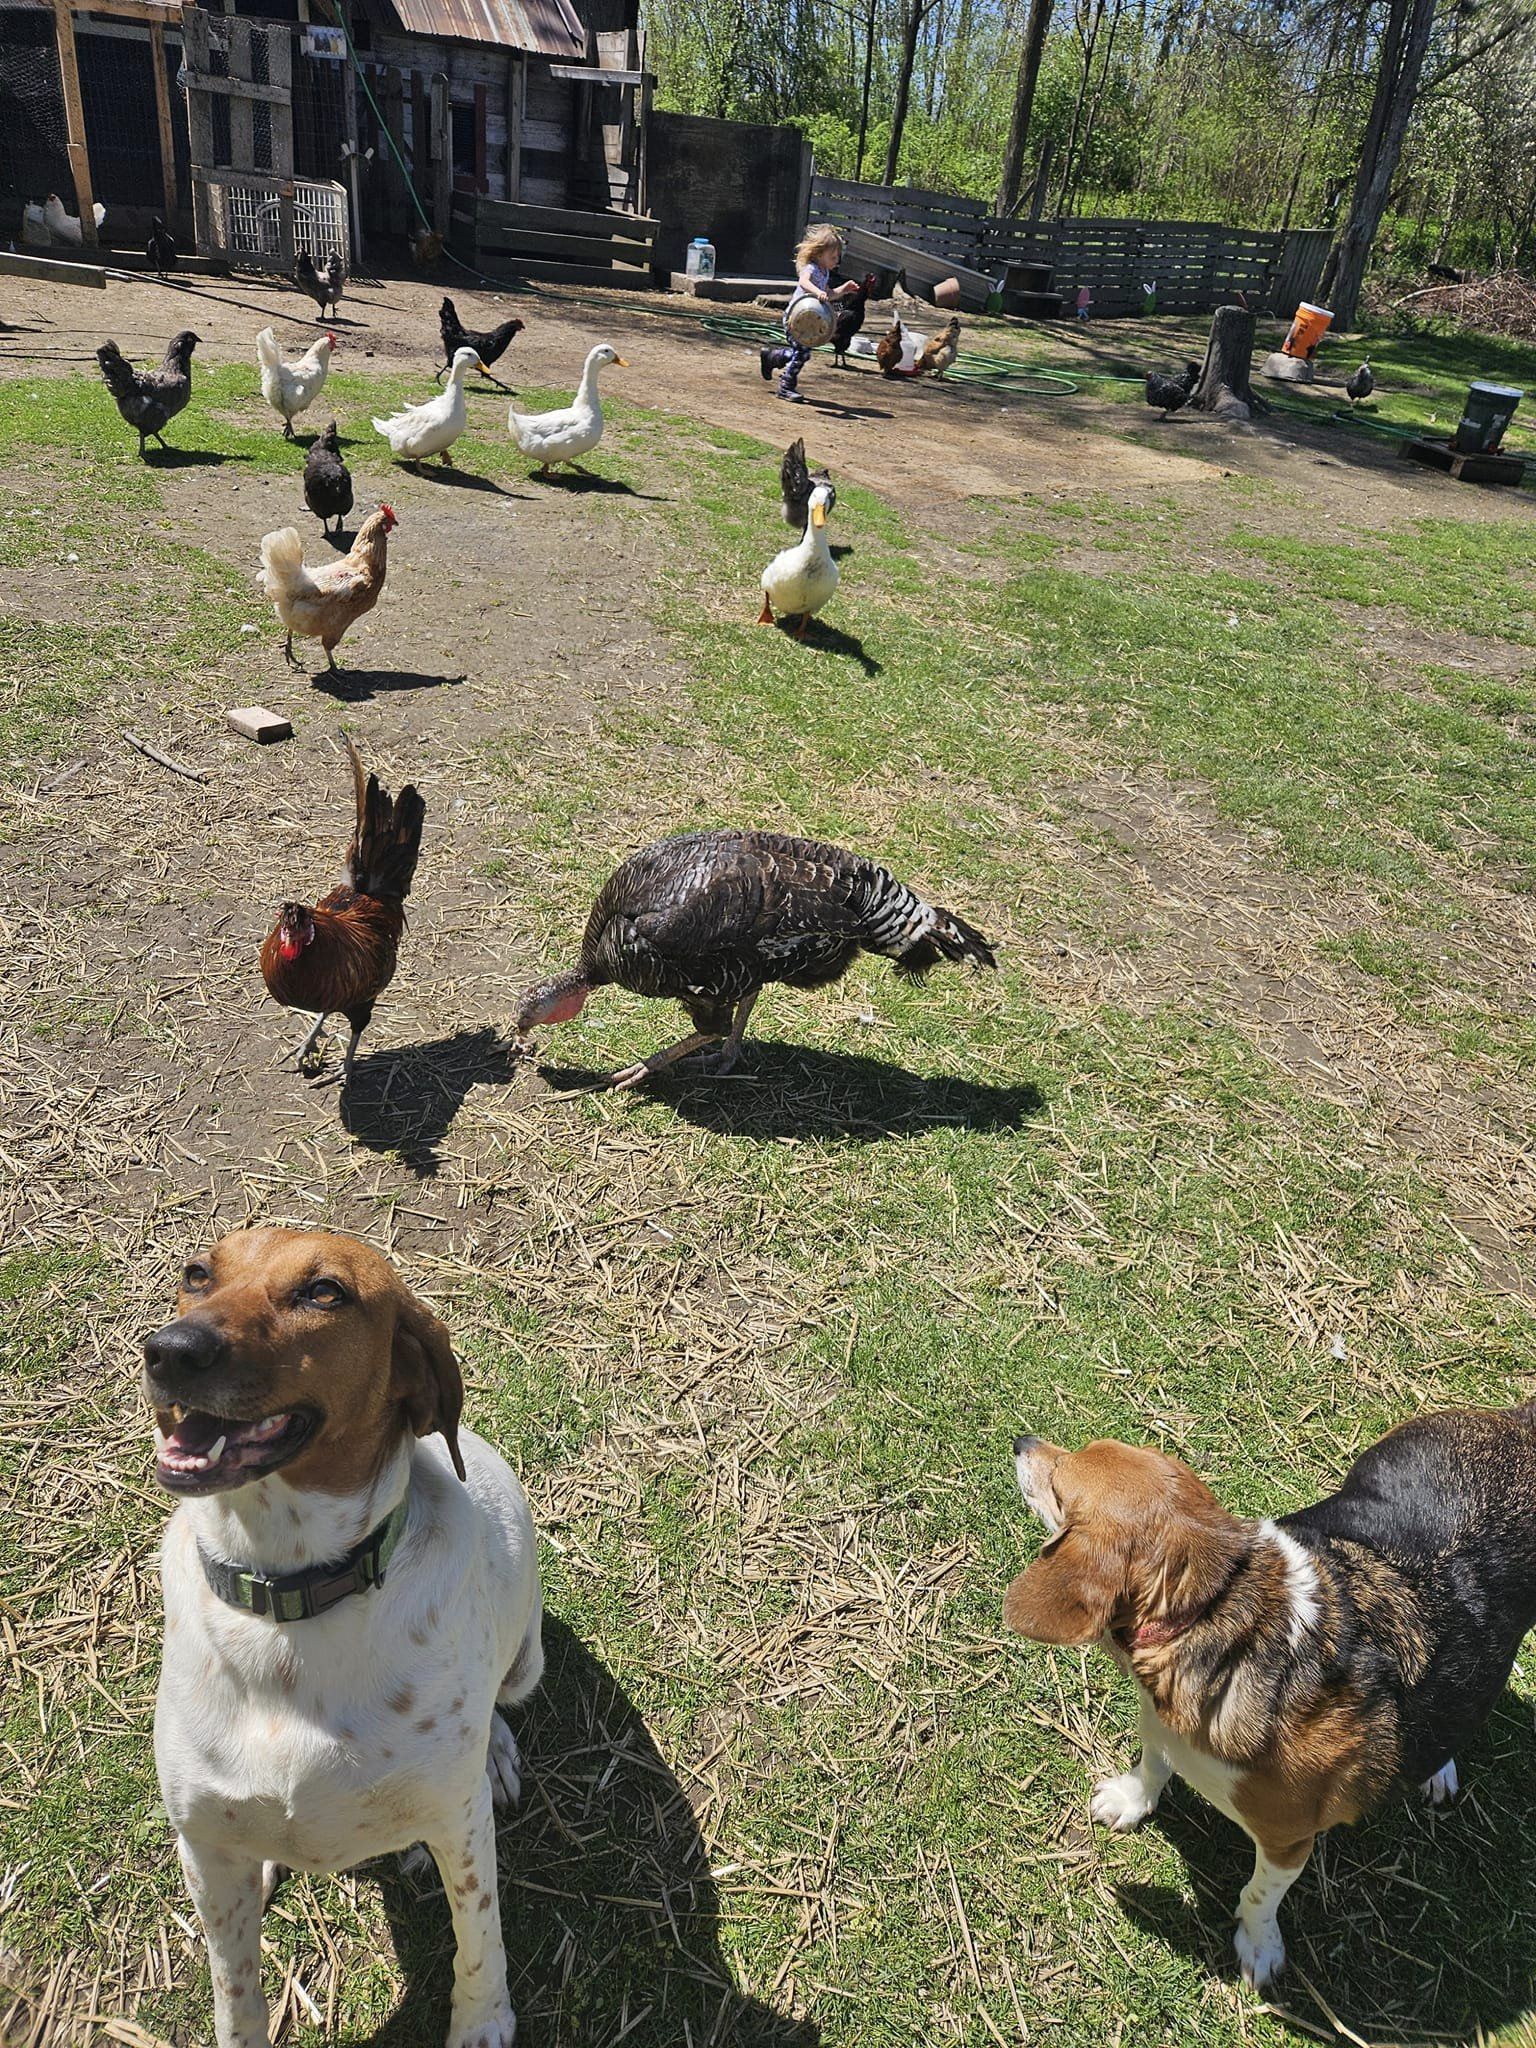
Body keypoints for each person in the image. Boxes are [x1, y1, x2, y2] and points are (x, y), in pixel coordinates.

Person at [760, 224, 860, 403]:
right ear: (819, 254)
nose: (836, 261)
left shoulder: (825, 273)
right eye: (833, 257)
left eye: (838, 257)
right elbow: (804, 282)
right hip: (795, 320)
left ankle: (773, 357)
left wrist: (844, 290)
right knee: (802, 354)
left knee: (801, 353)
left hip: (810, 323)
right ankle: (785, 386)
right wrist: (817, 291)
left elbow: (828, 294)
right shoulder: (811, 269)